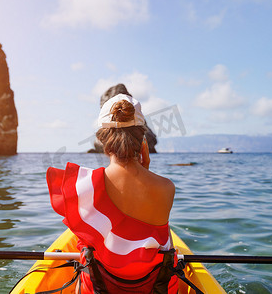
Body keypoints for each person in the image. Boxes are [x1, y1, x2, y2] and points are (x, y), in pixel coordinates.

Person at [46, 94, 178, 293]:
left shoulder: (83, 186)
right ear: (143, 140)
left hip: (100, 287)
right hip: (152, 287)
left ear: (102, 140)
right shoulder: (166, 187)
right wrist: (147, 171)